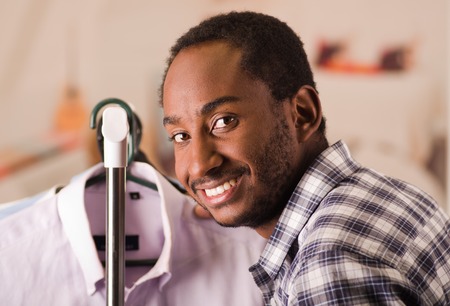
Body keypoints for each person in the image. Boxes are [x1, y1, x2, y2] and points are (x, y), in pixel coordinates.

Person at [159, 11, 450, 305]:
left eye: (224, 121)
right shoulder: (386, 195)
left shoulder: (328, 262)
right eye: (180, 136)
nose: (198, 164)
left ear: (302, 113)